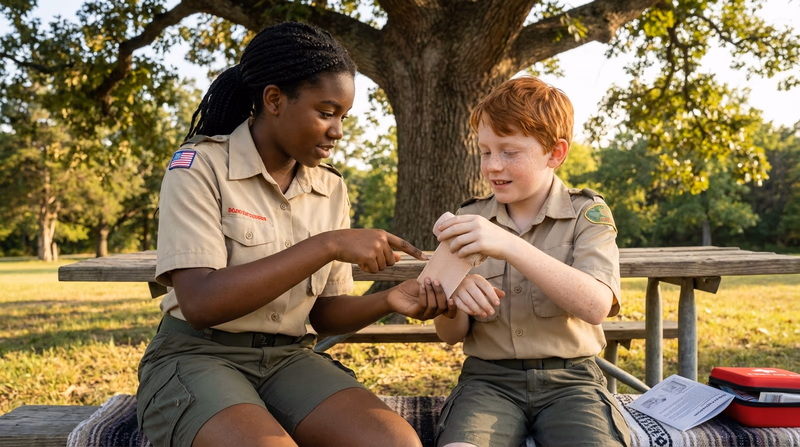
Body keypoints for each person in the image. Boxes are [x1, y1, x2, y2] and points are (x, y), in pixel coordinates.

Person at [137, 21, 452, 447]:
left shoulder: (330, 187)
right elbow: (200, 303)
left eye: (342, 116)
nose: (338, 131)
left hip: (288, 359)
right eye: (326, 113)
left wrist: (388, 300)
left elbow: (322, 315)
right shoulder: (199, 167)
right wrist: (328, 245)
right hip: (199, 355)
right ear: (274, 99)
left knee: (396, 443)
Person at [433, 76, 631, 447]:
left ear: (555, 153)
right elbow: (450, 335)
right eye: (485, 151)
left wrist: (508, 245)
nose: (492, 165)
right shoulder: (469, 218)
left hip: (572, 383)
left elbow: (596, 306)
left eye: (509, 152)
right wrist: (454, 298)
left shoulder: (587, 214)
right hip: (488, 382)